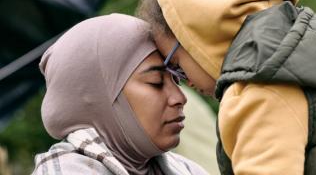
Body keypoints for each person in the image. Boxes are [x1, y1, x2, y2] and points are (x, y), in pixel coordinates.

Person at [137, 0, 316, 175]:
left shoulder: (258, 86)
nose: (185, 82)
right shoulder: (313, 51)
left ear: (199, 34)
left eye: (177, 66)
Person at [32, 14, 209, 175]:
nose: (180, 98)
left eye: (176, 79)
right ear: (97, 99)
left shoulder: (189, 170)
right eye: (156, 81)